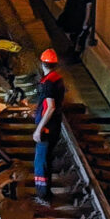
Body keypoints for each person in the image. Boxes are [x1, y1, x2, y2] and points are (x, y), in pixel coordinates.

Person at [31, 49, 64, 198]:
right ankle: (46, 193)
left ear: (42, 64)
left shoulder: (48, 83)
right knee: (46, 160)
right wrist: (36, 112)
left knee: (40, 162)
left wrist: (39, 129)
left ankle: (43, 196)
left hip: (47, 129)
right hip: (54, 126)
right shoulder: (57, 79)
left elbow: (51, 107)